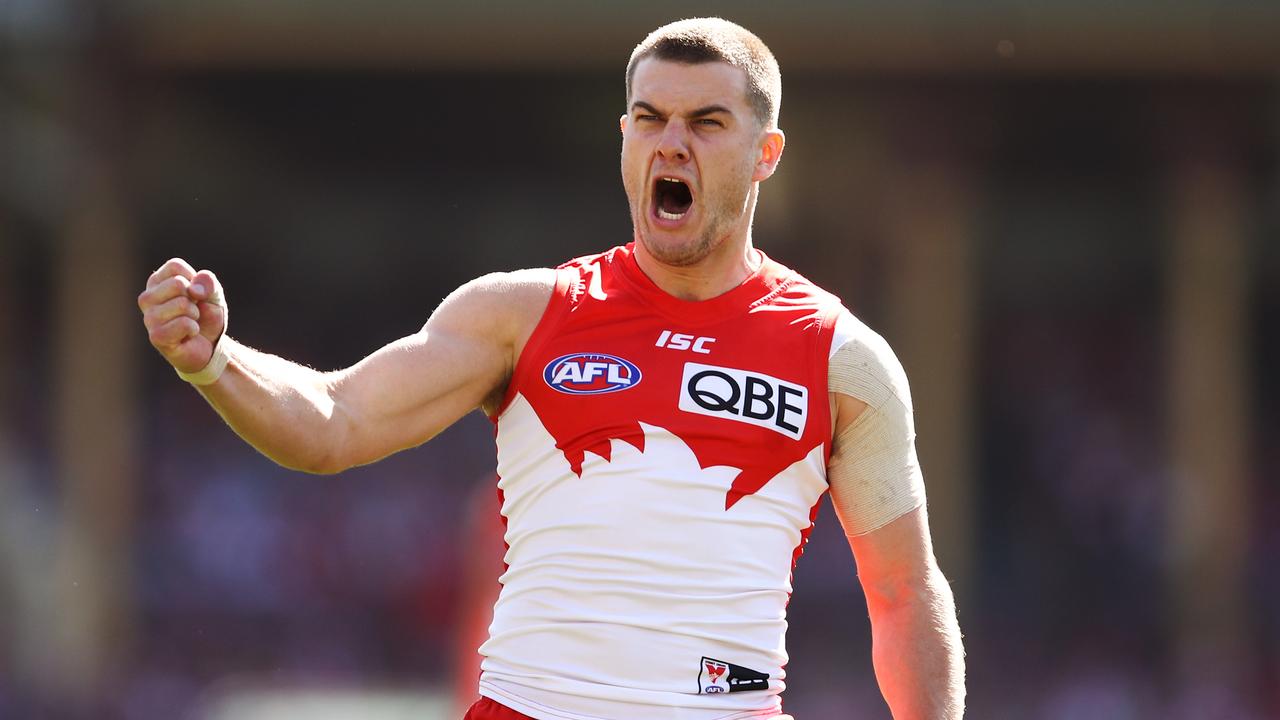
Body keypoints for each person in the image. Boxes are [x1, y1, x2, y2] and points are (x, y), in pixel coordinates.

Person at [138, 17, 965, 720]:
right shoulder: (521, 315)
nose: (671, 143)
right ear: (626, 136)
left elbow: (903, 593)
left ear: (766, 152)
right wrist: (217, 361)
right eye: (650, 118)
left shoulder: (841, 359)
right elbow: (332, 422)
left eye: (707, 123)